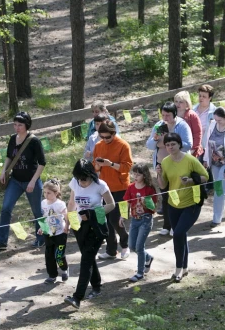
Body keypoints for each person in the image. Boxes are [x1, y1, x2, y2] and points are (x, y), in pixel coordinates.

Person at [64, 160, 116, 309]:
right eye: (79, 178)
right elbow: (71, 203)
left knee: (85, 260)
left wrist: (92, 213)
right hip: (80, 225)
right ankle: (97, 286)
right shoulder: (74, 183)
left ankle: (77, 297)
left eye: (84, 179)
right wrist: (68, 223)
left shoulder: (100, 185)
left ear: (91, 175)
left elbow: (111, 204)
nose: (82, 182)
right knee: (89, 257)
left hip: (97, 225)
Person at [156, 133, 208, 282]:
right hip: (173, 204)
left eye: (173, 144)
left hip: (192, 203)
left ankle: (178, 269)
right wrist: (159, 174)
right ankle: (184, 268)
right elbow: (163, 185)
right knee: (181, 235)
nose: (170, 147)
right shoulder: (165, 162)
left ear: (179, 144)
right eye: (167, 145)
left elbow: (206, 176)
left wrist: (191, 180)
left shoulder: (190, 160)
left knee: (177, 234)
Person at [0, 112, 46, 251]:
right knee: (6, 208)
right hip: (15, 180)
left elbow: (42, 163)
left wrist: (33, 181)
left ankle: (42, 238)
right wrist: (3, 171)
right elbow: (8, 157)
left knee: (38, 212)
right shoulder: (12, 139)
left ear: (27, 126)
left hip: (32, 180)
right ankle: (1, 241)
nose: (17, 128)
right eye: (15, 124)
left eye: (20, 125)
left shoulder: (34, 141)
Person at [146, 102, 193, 236]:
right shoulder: (159, 126)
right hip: (162, 165)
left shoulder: (182, 125)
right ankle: (167, 225)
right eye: (163, 115)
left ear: (175, 114)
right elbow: (149, 145)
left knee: (176, 194)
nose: (165, 118)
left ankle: (176, 225)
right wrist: (157, 139)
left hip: (178, 165)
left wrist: (170, 143)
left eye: (168, 115)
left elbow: (189, 144)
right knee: (165, 196)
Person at [93, 120, 133, 259]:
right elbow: (94, 167)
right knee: (105, 220)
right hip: (105, 188)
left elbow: (127, 167)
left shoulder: (123, 145)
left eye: (107, 137)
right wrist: (98, 165)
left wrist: (110, 164)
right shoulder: (98, 146)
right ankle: (111, 250)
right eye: (102, 137)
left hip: (121, 188)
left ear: (114, 133)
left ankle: (125, 244)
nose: (105, 140)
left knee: (116, 219)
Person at [119, 163, 158, 282]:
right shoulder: (131, 187)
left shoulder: (149, 188)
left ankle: (140, 272)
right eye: (134, 174)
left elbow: (153, 208)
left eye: (138, 174)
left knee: (139, 247)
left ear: (144, 175)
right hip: (134, 220)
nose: (135, 176)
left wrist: (146, 202)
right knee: (132, 246)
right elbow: (127, 202)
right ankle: (148, 258)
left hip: (146, 219)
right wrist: (122, 216)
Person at [202, 107, 225, 227]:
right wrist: (206, 159)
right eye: (215, 120)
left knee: (218, 187)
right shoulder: (212, 124)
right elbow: (207, 142)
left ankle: (216, 218)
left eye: (220, 120)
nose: (217, 122)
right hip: (214, 162)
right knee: (223, 186)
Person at [38, 179, 69, 283]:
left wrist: (67, 226)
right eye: (45, 192)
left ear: (56, 193)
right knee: (49, 254)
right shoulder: (43, 203)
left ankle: (64, 269)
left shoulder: (60, 204)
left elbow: (66, 216)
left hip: (60, 233)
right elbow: (45, 216)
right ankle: (52, 275)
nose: (46, 195)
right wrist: (42, 228)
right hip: (48, 233)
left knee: (59, 254)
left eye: (49, 193)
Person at [174, 90, 203, 158]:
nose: (178, 104)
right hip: (177, 151)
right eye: (176, 101)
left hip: (193, 151)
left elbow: (198, 133)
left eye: (181, 102)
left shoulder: (192, 115)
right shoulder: (172, 114)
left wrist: (193, 149)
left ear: (187, 103)